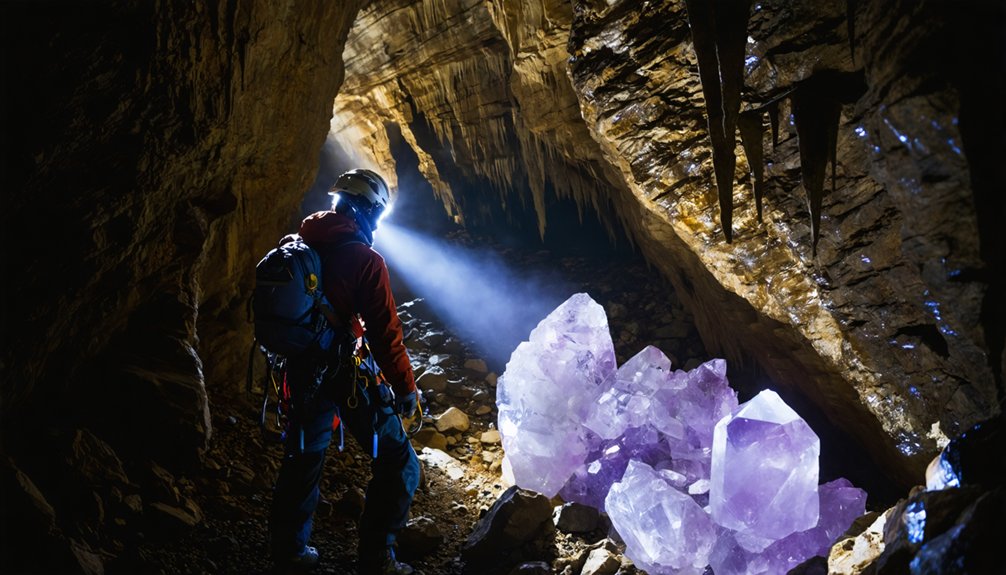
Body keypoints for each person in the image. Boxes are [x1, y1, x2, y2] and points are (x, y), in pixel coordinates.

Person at [269, 169, 420, 575]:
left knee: (303, 457)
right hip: (344, 373)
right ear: (366, 210)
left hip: (301, 370)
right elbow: (386, 333)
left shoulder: (297, 242)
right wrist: (406, 387)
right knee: (400, 462)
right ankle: (376, 559)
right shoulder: (365, 260)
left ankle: (289, 552)